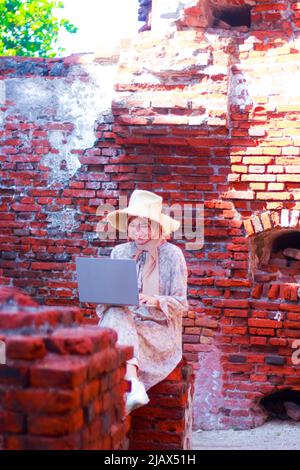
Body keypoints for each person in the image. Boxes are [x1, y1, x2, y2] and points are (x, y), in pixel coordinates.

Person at [96, 189, 189, 415]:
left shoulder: (172, 254)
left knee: (117, 329)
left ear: (157, 227)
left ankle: (131, 386)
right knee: (116, 314)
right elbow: (109, 296)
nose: (139, 232)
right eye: (134, 225)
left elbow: (181, 303)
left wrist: (155, 300)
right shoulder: (119, 252)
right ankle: (133, 382)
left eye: (146, 226)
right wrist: (107, 297)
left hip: (157, 329)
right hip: (126, 320)